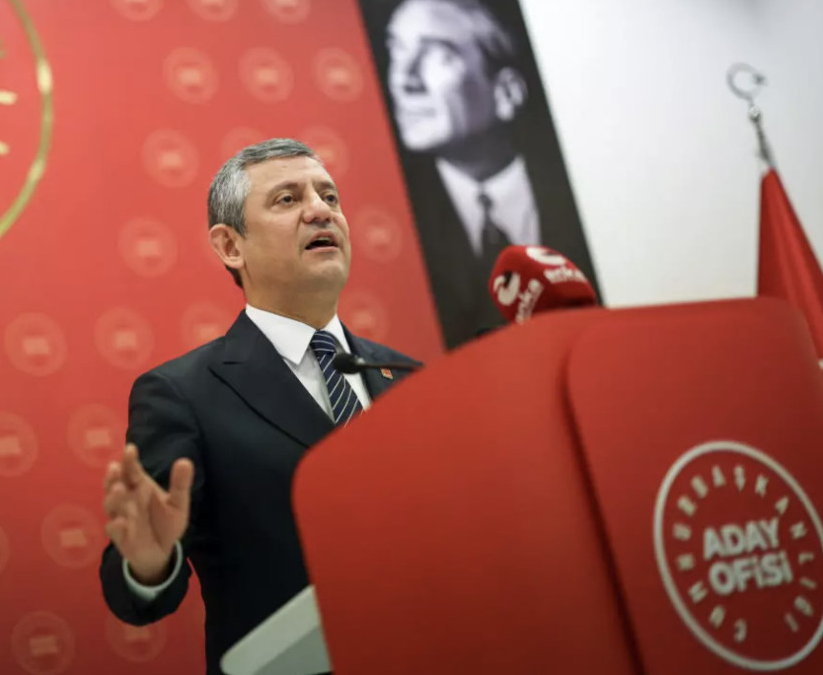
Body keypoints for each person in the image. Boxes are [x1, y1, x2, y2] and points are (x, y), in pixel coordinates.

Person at [99, 138, 419, 675]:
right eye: (288, 199)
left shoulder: (410, 378)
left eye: (329, 197)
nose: (320, 210)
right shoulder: (183, 394)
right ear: (230, 246)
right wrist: (149, 564)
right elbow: (136, 588)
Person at [380, 0, 597, 348]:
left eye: (437, 55)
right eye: (397, 50)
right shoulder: (391, 220)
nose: (402, 81)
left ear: (506, 91)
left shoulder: (587, 195)